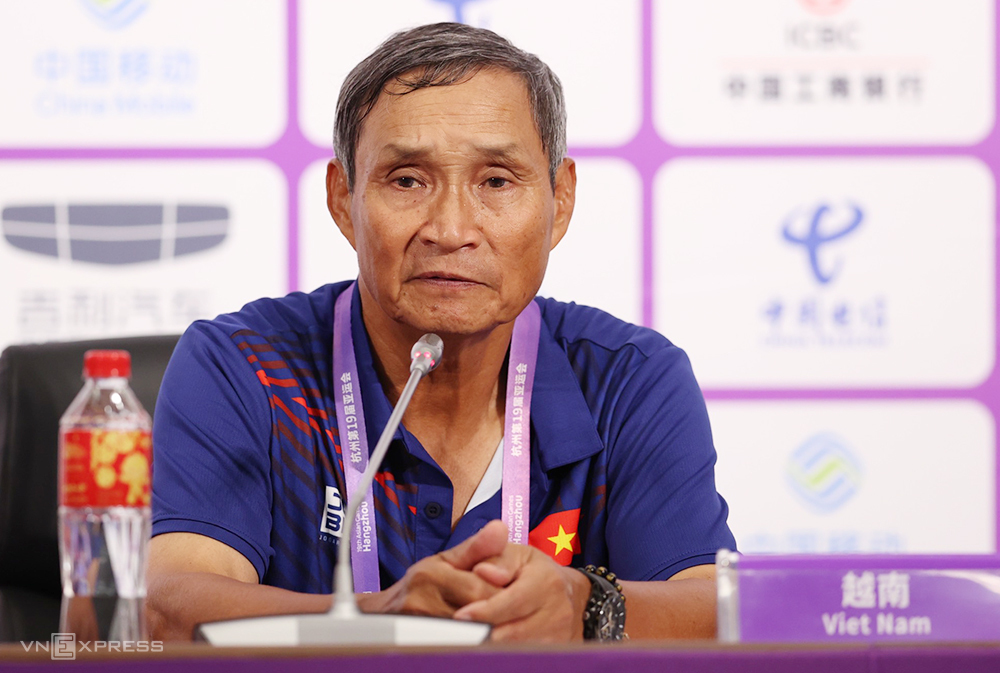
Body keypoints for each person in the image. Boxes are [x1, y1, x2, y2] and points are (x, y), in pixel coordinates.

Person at [147, 22, 735, 642]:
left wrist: (584, 604)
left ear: (559, 200)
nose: (451, 230)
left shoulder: (628, 379)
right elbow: (168, 607)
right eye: (407, 180)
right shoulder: (244, 366)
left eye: (496, 181)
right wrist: (384, 622)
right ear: (343, 198)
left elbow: (716, 611)